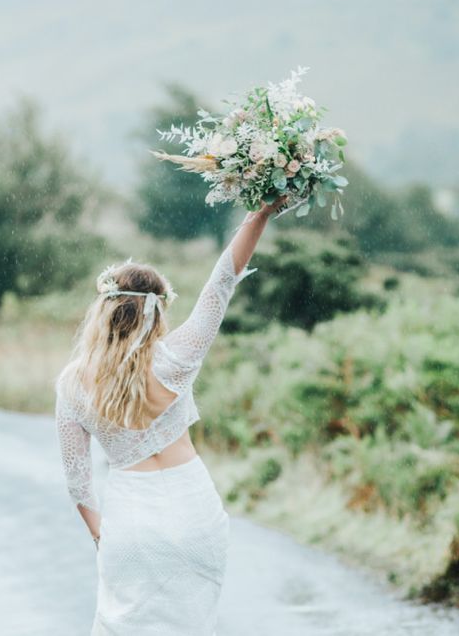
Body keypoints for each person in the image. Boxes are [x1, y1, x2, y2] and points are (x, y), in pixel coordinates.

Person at [55, 197, 287, 635]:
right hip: (195, 513)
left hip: (131, 525)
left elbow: (77, 480)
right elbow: (222, 282)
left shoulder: (72, 383)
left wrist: (104, 538)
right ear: (157, 311)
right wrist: (261, 215)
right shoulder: (178, 357)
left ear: (104, 309)